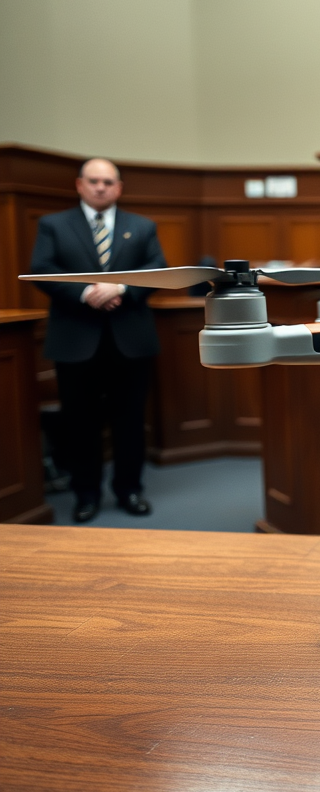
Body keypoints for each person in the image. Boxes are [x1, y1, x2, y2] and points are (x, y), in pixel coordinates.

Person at [30, 158, 166, 523]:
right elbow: (41, 270)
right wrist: (86, 292)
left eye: (108, 181)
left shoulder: (143, 226)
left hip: (131, 340)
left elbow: (157, 268)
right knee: (80, 423)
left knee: (130, 421)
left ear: (119, 187)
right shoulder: (53, 225)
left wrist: (120, 287)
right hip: (75, 339)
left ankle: (129, 490)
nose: (101, 187)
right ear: (79, 184)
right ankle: (85, 495)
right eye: (94, 181)